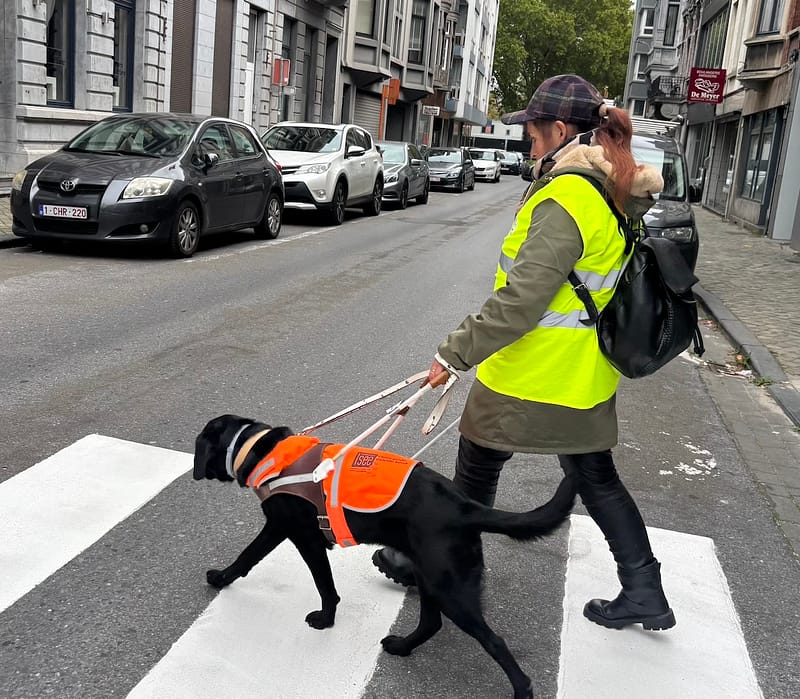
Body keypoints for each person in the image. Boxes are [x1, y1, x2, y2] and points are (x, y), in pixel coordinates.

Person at [373, 74, 675, 631]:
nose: (528, 148)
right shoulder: (613, 192)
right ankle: (645, 589)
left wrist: (453, 354)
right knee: (596, 479)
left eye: (532, 138)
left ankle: (435, 564)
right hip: (582, 376)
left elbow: (521, 302)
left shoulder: (567, 198)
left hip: (528, 375)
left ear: (560, 131)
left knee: (475, 470)